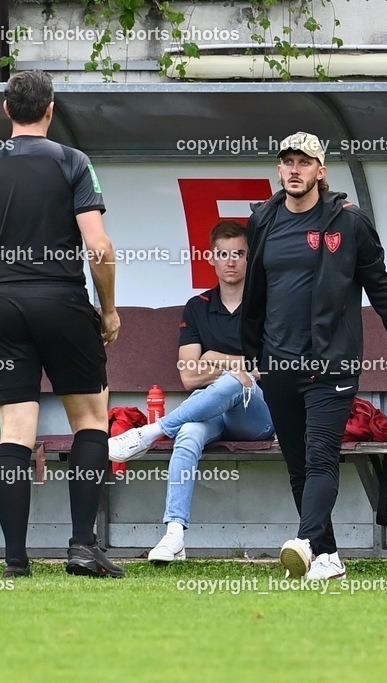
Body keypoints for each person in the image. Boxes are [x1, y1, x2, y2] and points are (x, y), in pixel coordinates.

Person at [0, 70, 123, 579]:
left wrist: (3, 268)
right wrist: (108, 308)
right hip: (63, 301)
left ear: (7, 110)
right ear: (51, 108)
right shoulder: (73, 162)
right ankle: (83, 548)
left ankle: (15, 561)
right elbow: (100, 247)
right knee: (90, 420)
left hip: (4, 306)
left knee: (16, 433)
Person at [241, 132, 387, 580]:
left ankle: (304, 541)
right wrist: (250, 354)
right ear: (279, 169)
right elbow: (256, 293)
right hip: (278, 364)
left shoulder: (349, 223)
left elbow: (380, 289)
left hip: (331, 363)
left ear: (322, 171)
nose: (295, 170)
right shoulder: (263, 218)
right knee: (298, 463)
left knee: (322, 455)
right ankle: (328, 556)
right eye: (288, 162)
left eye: (305, 162)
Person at [108, 221, 274, 562]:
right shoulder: (197, 306)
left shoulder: (266, 303)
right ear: (211, 258)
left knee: (233, 381)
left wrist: (215, 360)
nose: (231, 261)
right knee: (187, 433)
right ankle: (174, 535)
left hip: (256, 413)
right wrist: (236, 363)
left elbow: (267, 368)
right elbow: (188, 376)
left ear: (250, 258)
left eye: (239, 254)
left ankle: (151, 432)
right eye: (223, 254)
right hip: (208, 410)